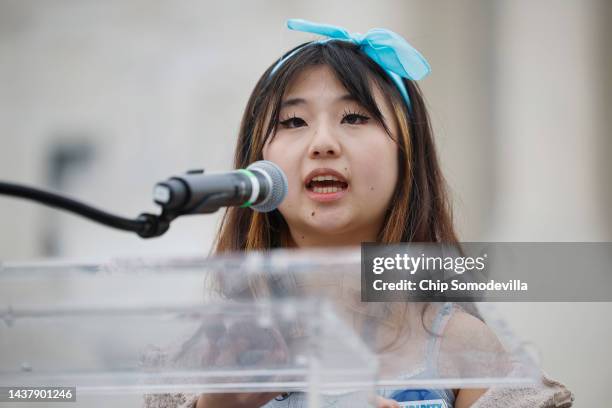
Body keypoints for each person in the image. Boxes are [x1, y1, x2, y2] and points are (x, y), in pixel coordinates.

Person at [144, 19, 573, 408]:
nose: (323, 142)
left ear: (407, 157)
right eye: (293, 122)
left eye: (354, 117)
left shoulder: (461, 346)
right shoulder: (208, 352)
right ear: (255, 162)